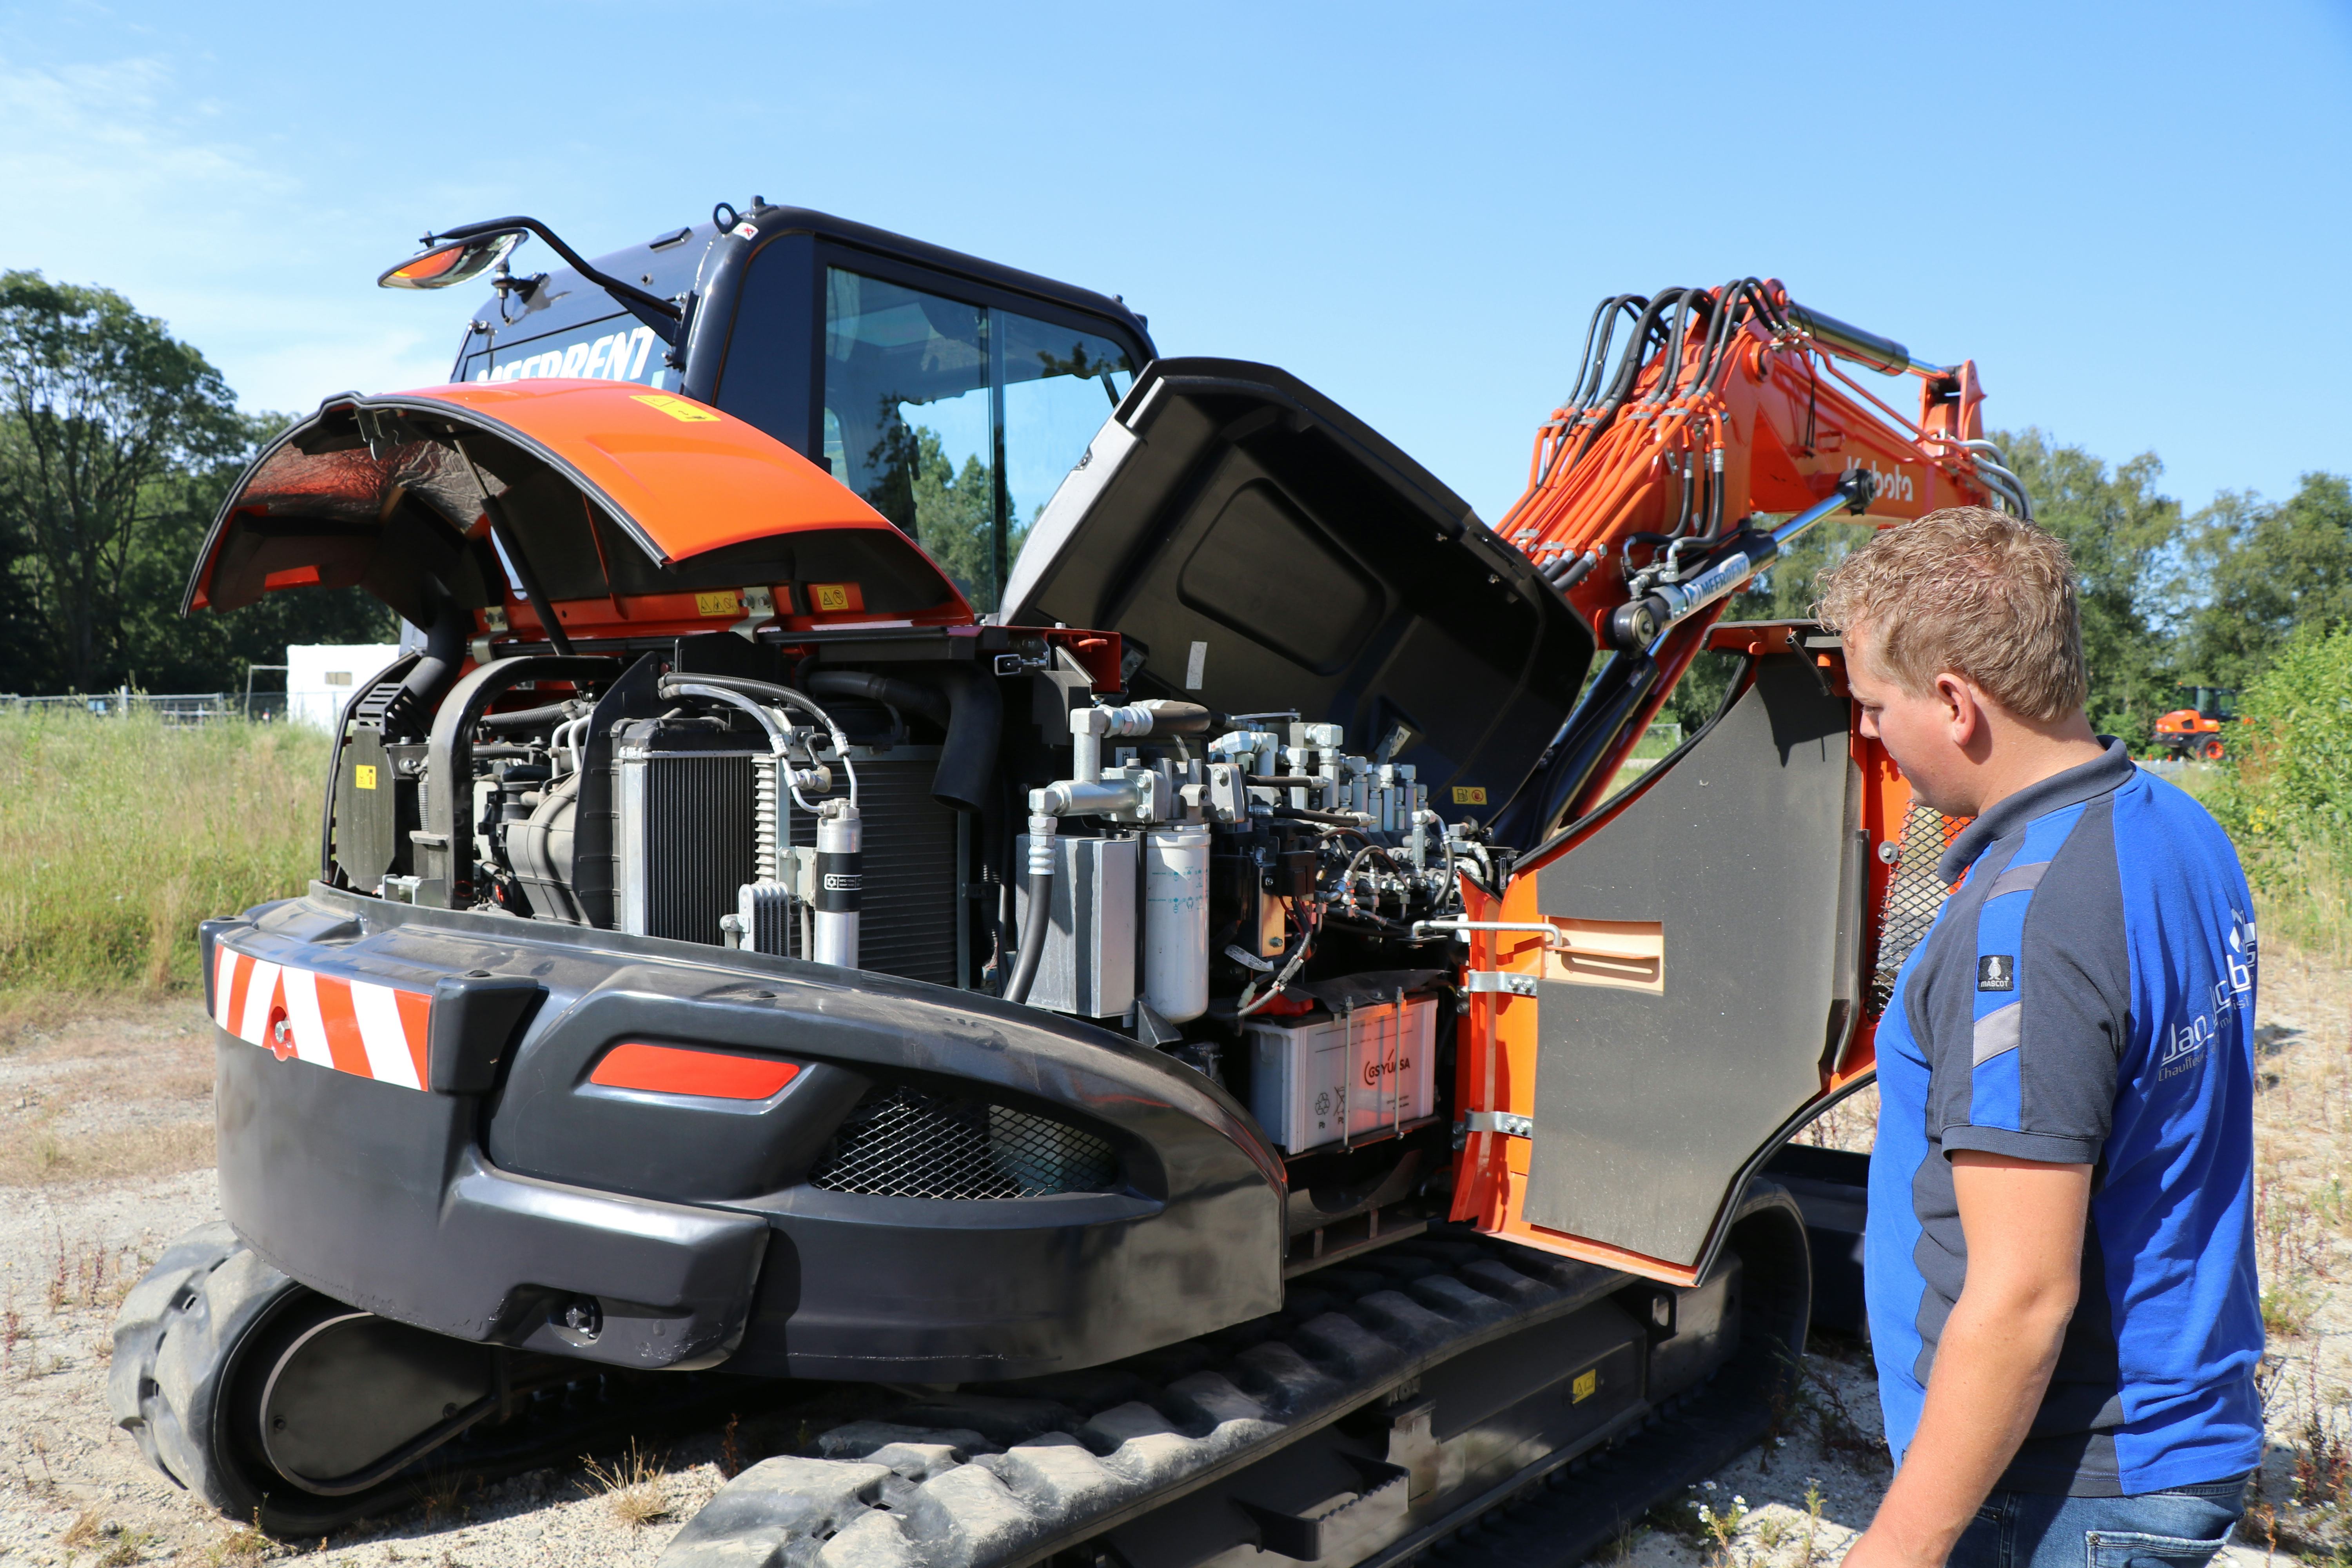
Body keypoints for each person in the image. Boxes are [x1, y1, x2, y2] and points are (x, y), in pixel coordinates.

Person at [1812, 507, 2263, 1568]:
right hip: (2171, 1428)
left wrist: (1899, 1547)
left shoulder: (2029, 927)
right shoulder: (2172, 828)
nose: (1869, 733)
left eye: (1875, 705)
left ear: (1958, 703)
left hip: (2068, 1482)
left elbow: (2021, 1295)